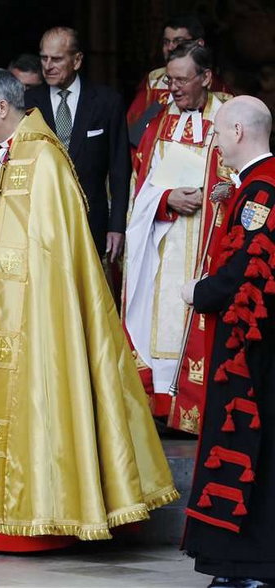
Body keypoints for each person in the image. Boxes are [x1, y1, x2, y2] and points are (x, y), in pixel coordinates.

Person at [0, 68, 178, 553]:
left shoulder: (44, 160)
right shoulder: (0, 158)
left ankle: (41, 520)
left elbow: (46, 256)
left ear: (2, 107)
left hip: (35, 321)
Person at [180, 96, 275, 588]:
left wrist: (200, 291)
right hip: (250, 344)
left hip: (250, 350)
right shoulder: (252, 187)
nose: (216, 141)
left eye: (218, 133)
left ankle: (250, 567)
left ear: (238, 131)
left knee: (245, 443)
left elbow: (246, 269)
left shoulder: (262, 191)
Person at [123, 41, 233, 433]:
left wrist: (209, 193)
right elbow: (141, 187)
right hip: (163, 245)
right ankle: (160, 407)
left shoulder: (230, 116)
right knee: (158, 322)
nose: (174, 88)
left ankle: (197, 410)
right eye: (169, 80)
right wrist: (167, 198)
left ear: (205, 77)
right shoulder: (157, 121)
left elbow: (248, 176)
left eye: (183, 80)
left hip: (209, 242)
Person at [24, 26, 130, 263]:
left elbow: (119, 169)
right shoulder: (27, 103)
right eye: (44, 58)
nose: (48, 65)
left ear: (77, 60)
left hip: (92, 220)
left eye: (57, 59)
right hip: (40, 222)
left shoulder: (106, 102)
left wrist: (117, 226)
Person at [127, 15, 232, 146]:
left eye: (178, 41)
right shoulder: (154, 80)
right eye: (166, 42)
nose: (170, 48)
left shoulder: (221, 95)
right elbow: (134, 129)